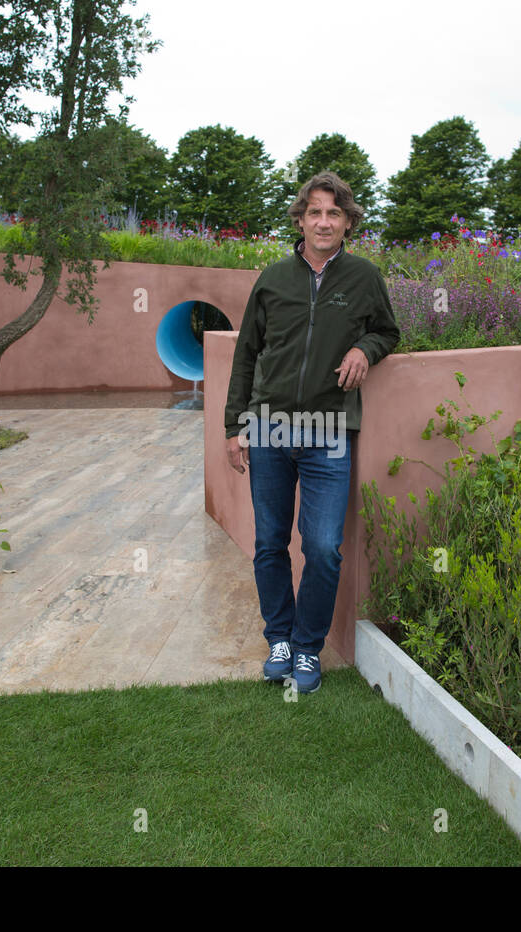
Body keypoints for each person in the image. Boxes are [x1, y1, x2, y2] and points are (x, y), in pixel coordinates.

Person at [223, 171, 399, 694]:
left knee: (322, 547)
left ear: (348, 222)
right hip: (270, 427)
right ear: (300, 220)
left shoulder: (364, 278)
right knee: (270, 543)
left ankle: (307, 647)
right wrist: (235, 426)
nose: (324, 222)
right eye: (315, 212)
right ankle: (279, 637)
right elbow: (245, 355)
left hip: (329, 430)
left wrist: (363, 350)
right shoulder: (273, 280)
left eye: (335, 213)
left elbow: (387, 329)